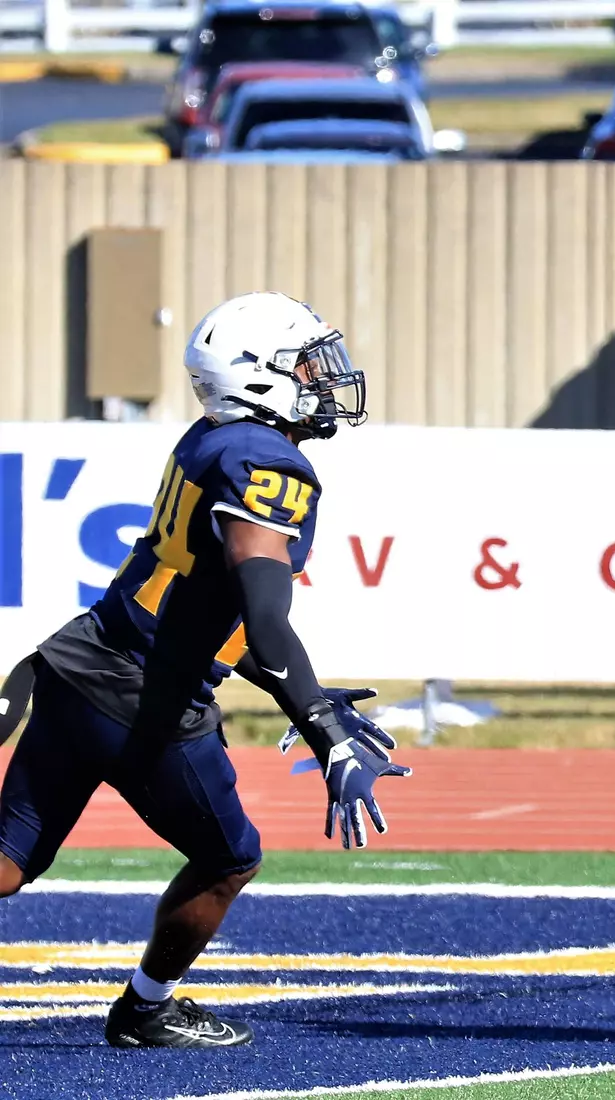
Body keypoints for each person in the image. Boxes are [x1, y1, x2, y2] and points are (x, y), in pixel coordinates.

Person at [0, 293, 410, 1048]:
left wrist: (303, 696)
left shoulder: (211, 441)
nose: (326, 379)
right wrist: (322, 727)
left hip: (83, 658)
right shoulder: (267, 463)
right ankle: (146, 1008)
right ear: (260, 379)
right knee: (229, 857)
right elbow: (261, 610)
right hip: (147, 700)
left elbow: (199, 607)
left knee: (9, 859)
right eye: (307, 366)